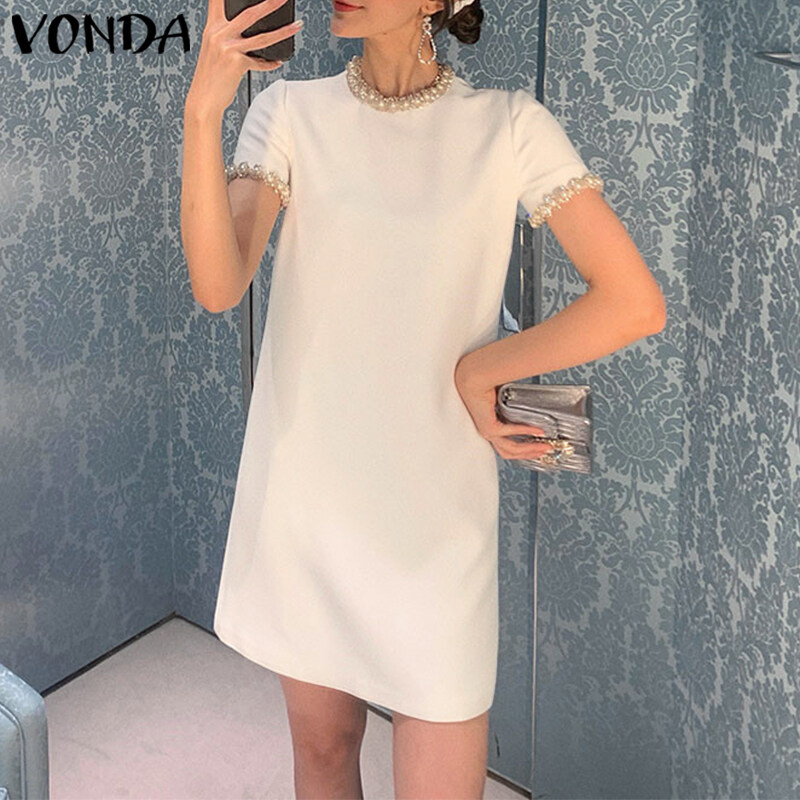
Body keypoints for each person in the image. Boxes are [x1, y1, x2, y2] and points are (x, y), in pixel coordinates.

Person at [181, 0, 666, 796]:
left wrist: (482, 372)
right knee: (324, 754)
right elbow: (218, 286)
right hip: (309, 500)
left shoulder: (509, 126)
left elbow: (633, 301)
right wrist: (204, 113)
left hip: (436, 523)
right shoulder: (288, 112)